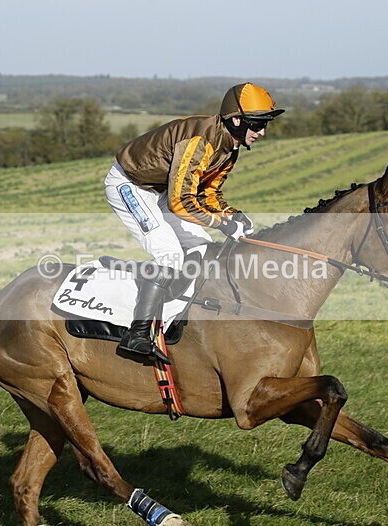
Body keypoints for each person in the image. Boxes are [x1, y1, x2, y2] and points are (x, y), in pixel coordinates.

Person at [104, 82, 284, 361]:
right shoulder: (201, 142)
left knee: (200, 244)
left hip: (160, 190)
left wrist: (232, 214)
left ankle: (172, 312)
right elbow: (182, 202)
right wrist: (223, 224)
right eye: (257, 124)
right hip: (130, 185)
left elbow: (208, 192)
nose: (262, 132)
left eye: (265, 125)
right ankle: (136, 334)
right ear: (236, 119)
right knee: (169, 253)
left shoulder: (230, 147)